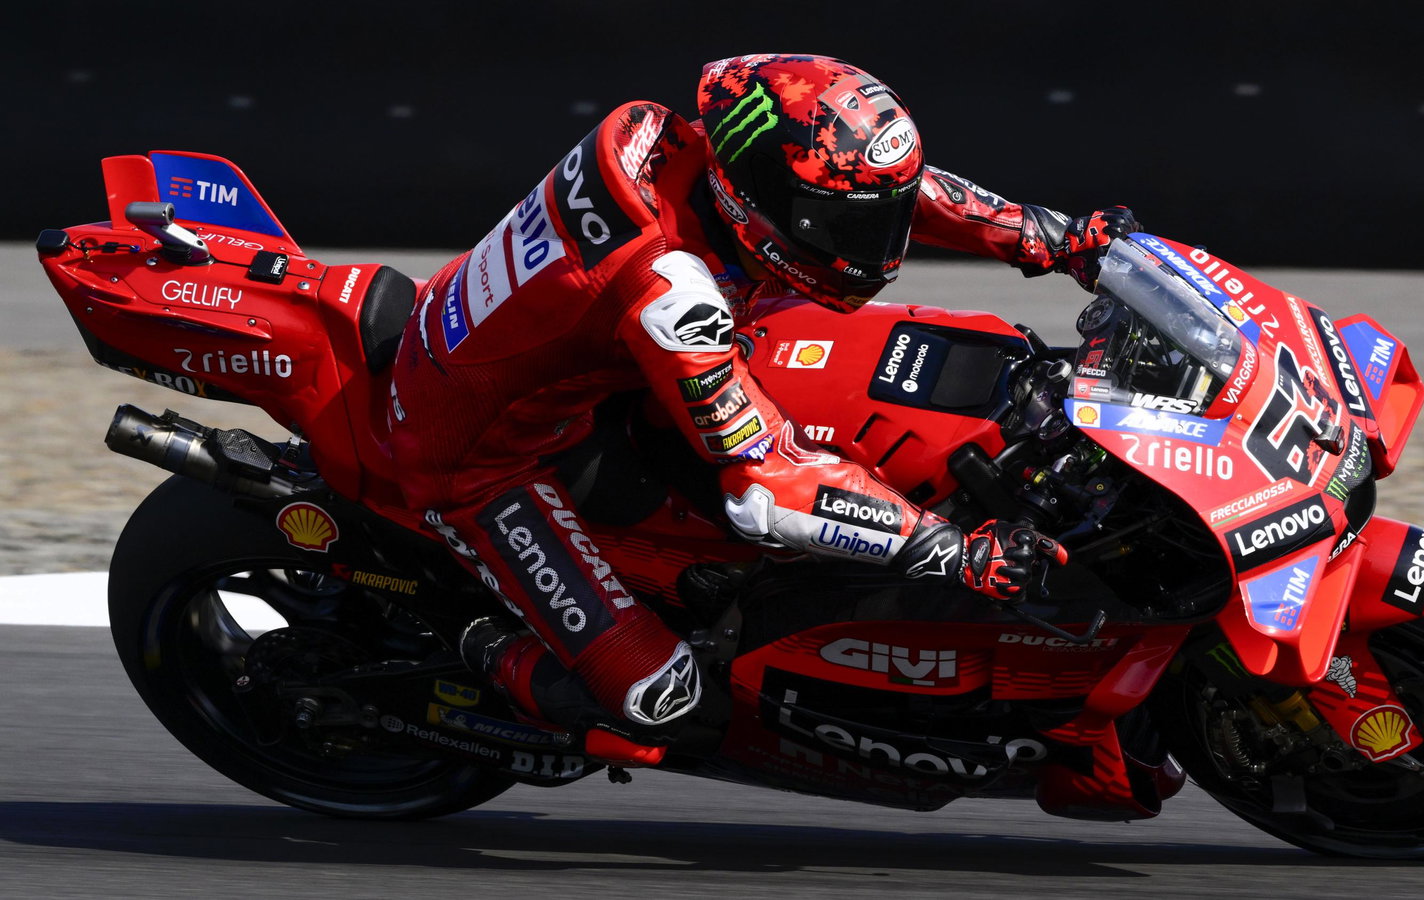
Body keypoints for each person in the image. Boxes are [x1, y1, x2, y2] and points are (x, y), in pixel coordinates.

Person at [383, 53, 1139, 766]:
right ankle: (472, 640)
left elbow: (879, 189)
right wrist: (954, 551)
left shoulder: (705, 152)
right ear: (755, 201)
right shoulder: (673, 294)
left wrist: (1059, 241)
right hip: (479, 457)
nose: (879, 247)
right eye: (847, 229)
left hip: (591, 366)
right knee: (660, 703)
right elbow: (767, 491)